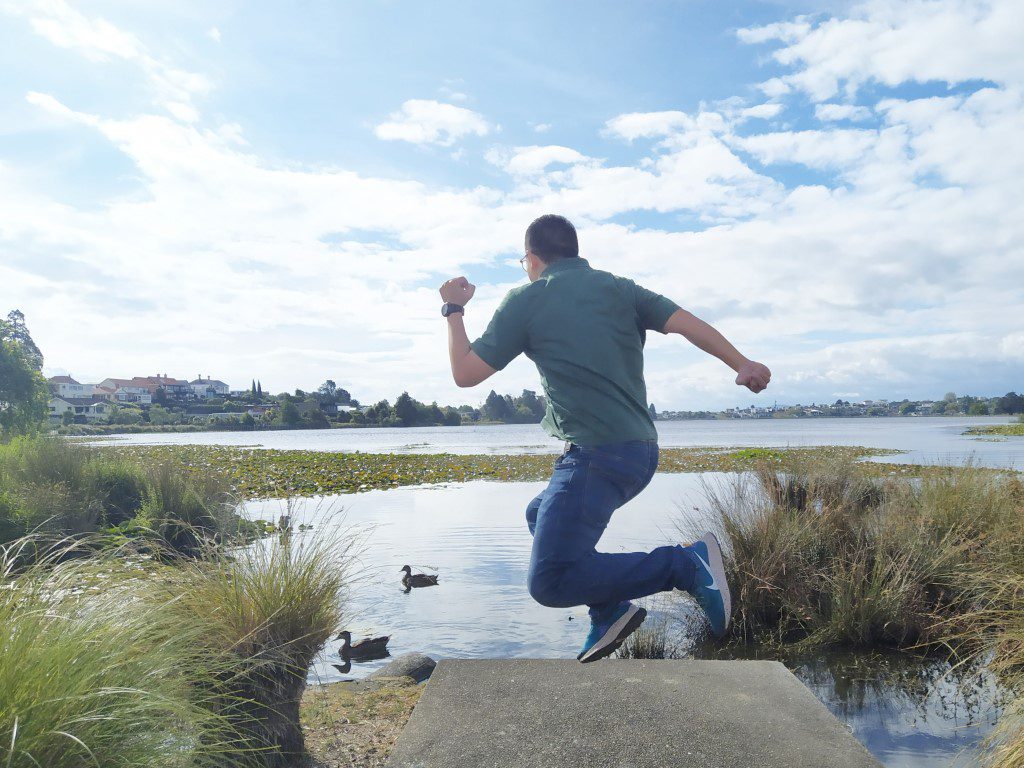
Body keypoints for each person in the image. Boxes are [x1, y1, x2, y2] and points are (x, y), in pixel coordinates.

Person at [440, 214, 770, 663]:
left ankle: (685, 564)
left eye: (524, 261)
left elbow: (464, 374)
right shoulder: (621, 288)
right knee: (539, 512)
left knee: (550, 582)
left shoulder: (527, 300)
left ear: (532, 259)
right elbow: (686, 322)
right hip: (639, 453)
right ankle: (609, 606)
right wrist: (741, 363)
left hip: (597, 456)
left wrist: (453, 310)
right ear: (574, 252)